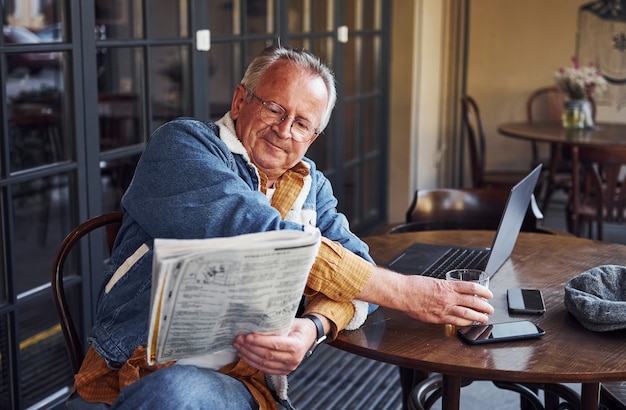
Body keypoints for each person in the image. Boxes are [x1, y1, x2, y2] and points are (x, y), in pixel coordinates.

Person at [68, 46, 493, 410]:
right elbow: (264, 235)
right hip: (135, 368)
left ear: (313, 137)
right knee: (171, 392)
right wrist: (408, 293)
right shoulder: (183, 145)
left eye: (302, 123)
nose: (284, 130)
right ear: (240, 102)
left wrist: (312, 329)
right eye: (274, 108)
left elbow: (359, 270)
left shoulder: (313, 187)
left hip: (240, 384)